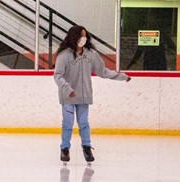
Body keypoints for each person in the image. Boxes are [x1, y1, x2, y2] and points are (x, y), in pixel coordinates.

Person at [53, 25, 130, 163]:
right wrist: (67, 89)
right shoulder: (64, 55)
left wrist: (121, 76)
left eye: (85, 35)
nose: (83, 38)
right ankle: (65, 148)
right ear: (74, 37)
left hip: (84, 96)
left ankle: (87, 147)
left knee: (83, 123)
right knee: (67, 123)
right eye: (81, 35)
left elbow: (103, 71)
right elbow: (58, 75)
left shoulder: (91, 54)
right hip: (68, 96)